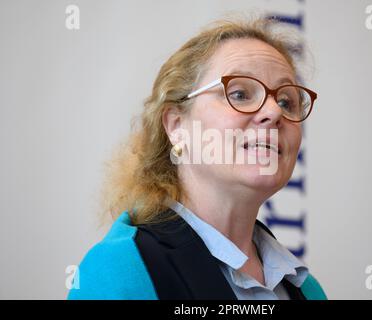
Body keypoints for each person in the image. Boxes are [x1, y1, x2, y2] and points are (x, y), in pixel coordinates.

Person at [68, 15, 326, 300]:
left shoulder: (307, 289)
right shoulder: (121, 269)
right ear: (177, 127)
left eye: (286, 101)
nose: (275, 112)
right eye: (240, 94)